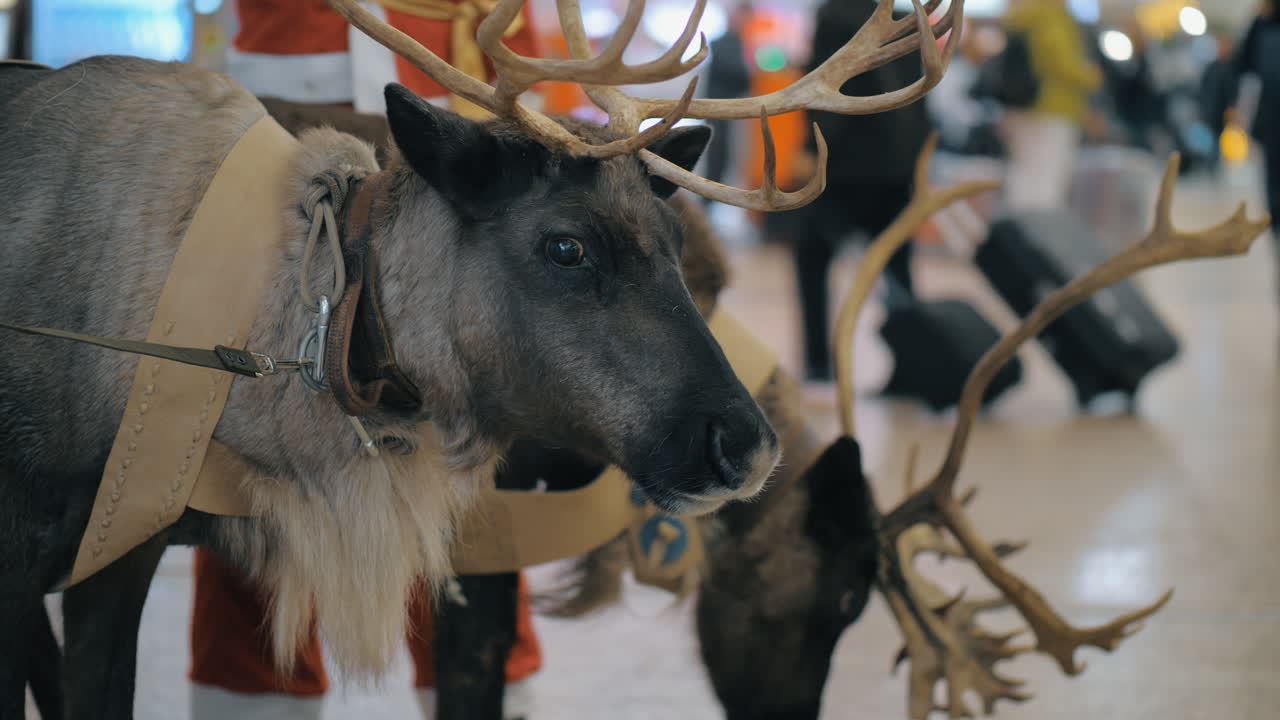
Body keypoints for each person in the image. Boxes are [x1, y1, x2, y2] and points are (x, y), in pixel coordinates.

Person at [190, 3, 545, 719]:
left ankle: (483, 692)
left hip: (462, 131)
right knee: (258, 461)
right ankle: (256, 694)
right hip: (279, 125)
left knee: (464, 466)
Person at [791, 0, 933, 382]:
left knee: (813, 260)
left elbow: (825, 86)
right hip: (897, 163)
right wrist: (916, 155)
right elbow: (922, 91)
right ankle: (914, 364)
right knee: (897, 266)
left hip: (844, 165)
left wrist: (811, 148)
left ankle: (819, 363)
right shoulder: (906, 18)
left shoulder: (834, 16)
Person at [1000, 0, 1102, 211]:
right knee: (1047, 180)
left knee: (1024, 174)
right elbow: (1060, 63)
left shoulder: (1023, 17)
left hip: (1022, 106)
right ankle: (1037, 236)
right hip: (1054, 108)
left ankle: (1017, 234)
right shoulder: (1052, 18)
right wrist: (1090, 76)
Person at [1232, 0, 1280, 248]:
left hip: (1271, 117)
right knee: (1274, 181)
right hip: (1272, 118)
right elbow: (1243, 65)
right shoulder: (1262, 25)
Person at [701, 2, 753, 200]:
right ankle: (709, 201)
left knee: (728, 158)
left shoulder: (743, 42)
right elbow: (736, 72)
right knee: (716, 158)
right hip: (717, 111)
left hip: (731, 112)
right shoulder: (721, 42)